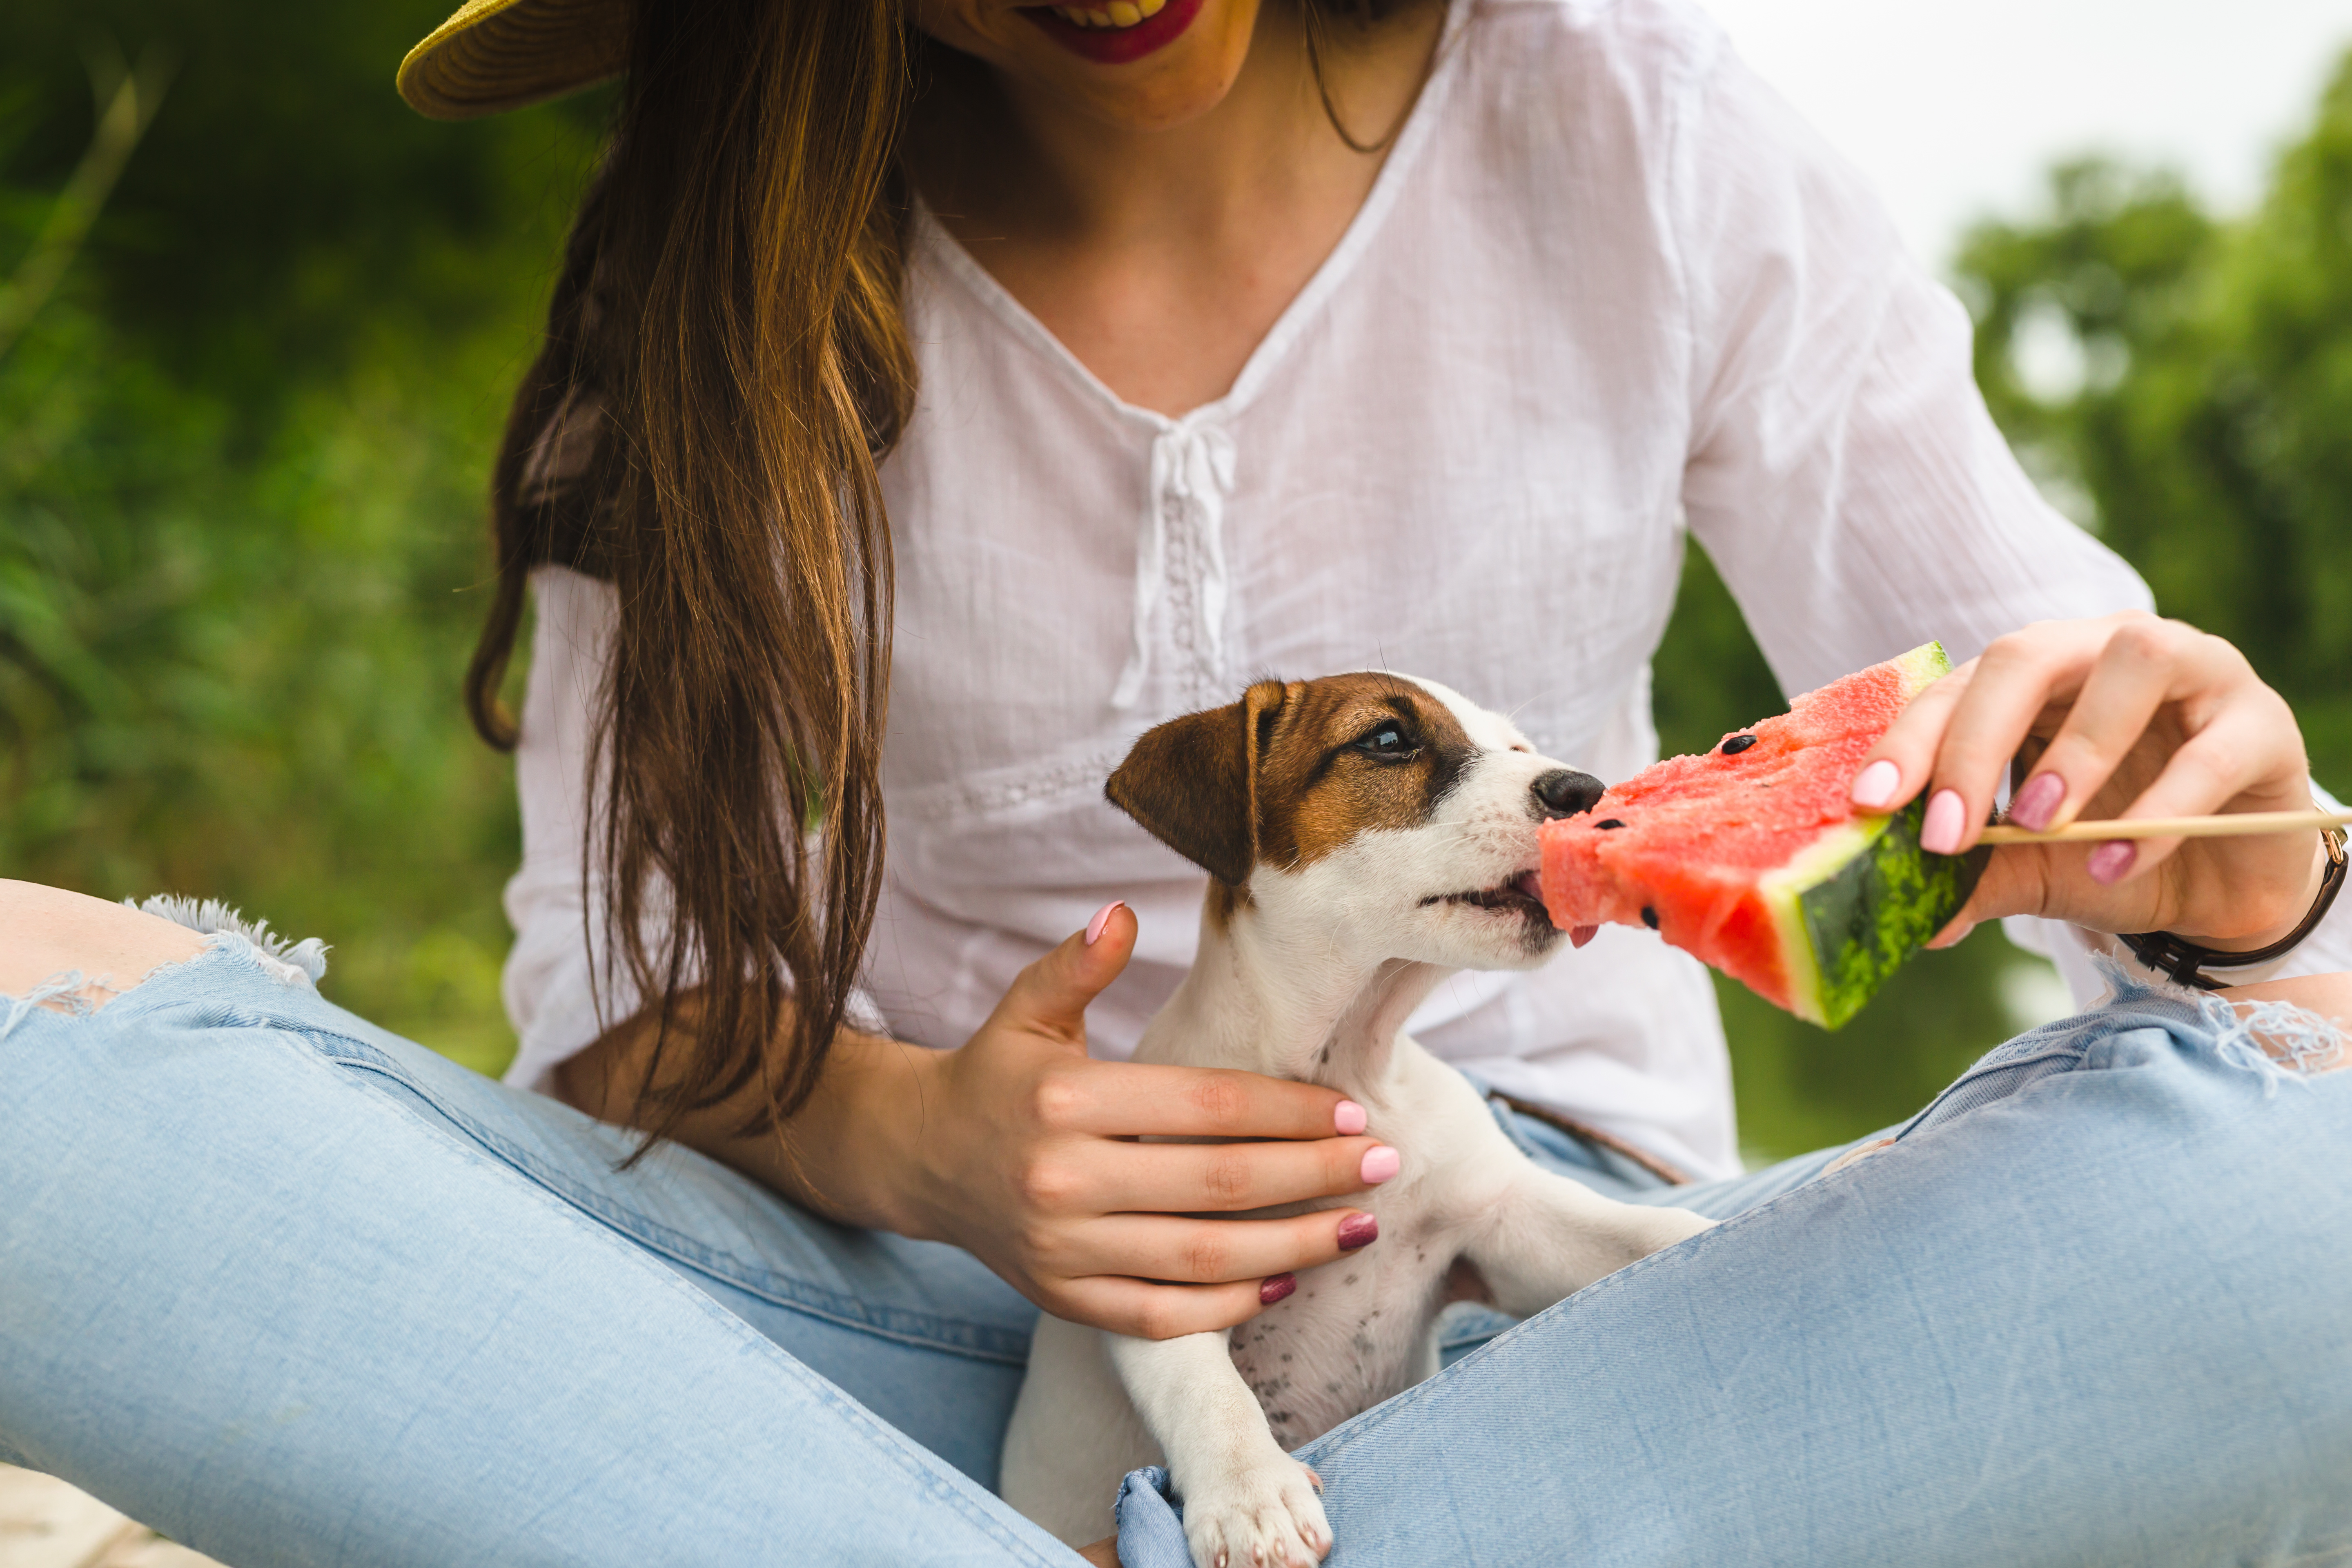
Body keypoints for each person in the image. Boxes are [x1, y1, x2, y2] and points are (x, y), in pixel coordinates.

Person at [2, 0, 2348, 1559]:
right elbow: (616, 1015)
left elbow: (2082, 817)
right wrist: (921, 1132)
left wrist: (2227, 872)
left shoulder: (1643, 134)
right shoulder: (715, 309)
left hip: (1573, 1314)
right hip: (872, 1314)